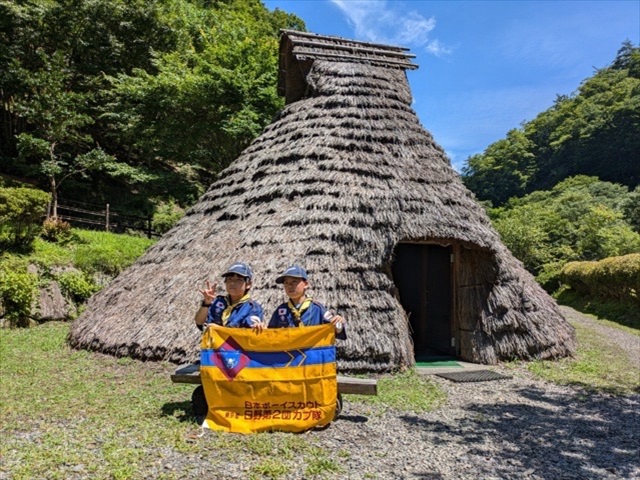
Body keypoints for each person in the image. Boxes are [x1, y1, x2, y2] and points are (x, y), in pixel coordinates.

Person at [268, 265, 346, 339]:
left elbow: (336, 331)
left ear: (305, 284)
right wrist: (260, 327)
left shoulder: (317, 309)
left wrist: (338, 324)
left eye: (294, 282)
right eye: (286, 283)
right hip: (287, 353)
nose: (289, 286)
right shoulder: (280, 310)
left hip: (309, 352)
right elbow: (269, 334)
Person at [195, 262, 265, 331]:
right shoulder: (217, 302)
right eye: (229, 279)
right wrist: (206, 304)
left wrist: (219, 330)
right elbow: (199, 323)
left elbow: (247, 333)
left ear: (248, 284)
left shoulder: (252, 308)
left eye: (238, 280)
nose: (232, 283)